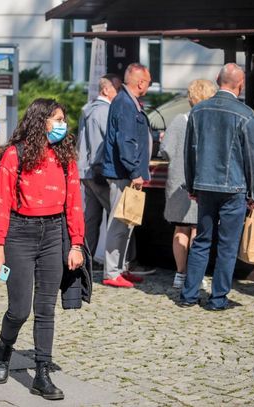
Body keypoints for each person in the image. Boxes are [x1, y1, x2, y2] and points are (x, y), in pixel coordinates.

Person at [0, 99, 84, 400]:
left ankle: (42, 373)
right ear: (40, 121)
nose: (62, 125)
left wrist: (76, 243)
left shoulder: (65, 156)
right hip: (19, 234)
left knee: (45, 309)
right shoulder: (15, 154)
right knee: (19, 310)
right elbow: (1, 201)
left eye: (63, 119)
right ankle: (4, 348)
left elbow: (74, 201)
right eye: (57, 119)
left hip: (54, 234)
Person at [180, 63, 254, 311]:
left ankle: (189, 295)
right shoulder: (247, 115)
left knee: (201, 241)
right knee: (227, 246)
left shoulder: (198, 111)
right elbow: (253, 160)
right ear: (241, 84)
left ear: (218, 79)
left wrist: (192, 185)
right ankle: (217, 299)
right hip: (234, 189)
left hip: (205, 186)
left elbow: (189, 154)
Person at [160, 79, 217, 289]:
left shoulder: (179, 120)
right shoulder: (212, 123)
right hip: (202, 181)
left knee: (180, 228)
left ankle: (180, 274)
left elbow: (165, 151)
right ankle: (196, 275)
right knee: (198, 230)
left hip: (178, 183)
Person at [100, 62, 152, 288]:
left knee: (127, 223)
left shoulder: (127, 101)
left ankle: (120, 269)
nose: (148, 86)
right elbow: (126, 141)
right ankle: (111, 273)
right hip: (123, 174)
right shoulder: (125, 103)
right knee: (119, 224)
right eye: (148, 82)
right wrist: (134, 171)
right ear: (140, 83)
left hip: (127, 173)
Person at [77, 73, 121, 259]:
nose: (119, 93)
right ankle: (123, 262)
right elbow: (100, 145)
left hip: (86, 170)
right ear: (106, 90)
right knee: (117, 218)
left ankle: (85, 260)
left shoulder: (88, 108)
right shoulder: (103, 111)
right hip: (98, 172)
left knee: (91, 218)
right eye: (117, 89)